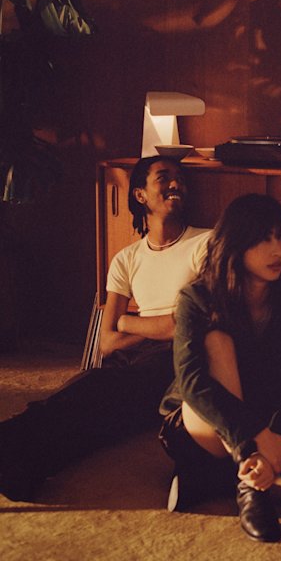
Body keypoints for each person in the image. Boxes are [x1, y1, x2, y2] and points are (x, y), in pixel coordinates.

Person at [0, 155, 210, 501]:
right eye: (164, 178)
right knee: (87, 401)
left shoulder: (205, 243)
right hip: (132, 354)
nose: (177, 184)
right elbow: (107, 342)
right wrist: (143, 326)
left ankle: (12, 447)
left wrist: (130, 321)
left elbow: (189, 324)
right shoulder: (126, 258)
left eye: (180, 179)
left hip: (176, 356)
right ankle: (25, 467)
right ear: (140, 195)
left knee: (99, 396)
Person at [159, 193, 281, 543]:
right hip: (202, 425)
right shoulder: (198, 298)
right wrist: (255, 442)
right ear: (236, 244)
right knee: (219, 342)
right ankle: (253, 490)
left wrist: (273, 447)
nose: (277, 250)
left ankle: (224, 479)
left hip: (263, 423)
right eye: (263, 239)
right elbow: (192, 384)